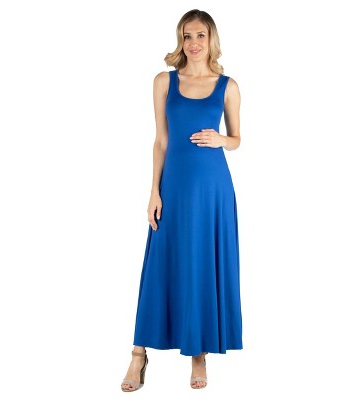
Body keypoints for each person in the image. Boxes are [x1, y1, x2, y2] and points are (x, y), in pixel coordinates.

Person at [120, 9, 243, 392]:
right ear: (181, 40)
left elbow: (237, 139)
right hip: (173, 187)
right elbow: (160, 140)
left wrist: (221, 139)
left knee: (202, 263)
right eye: (187, 35)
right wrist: (154, 191)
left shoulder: (228, 86)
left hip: (213, 190)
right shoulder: (164, 81)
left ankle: (198, 353)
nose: (193, 43)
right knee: (160, 262)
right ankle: (138, 353)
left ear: (211, 39)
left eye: (200, 35)